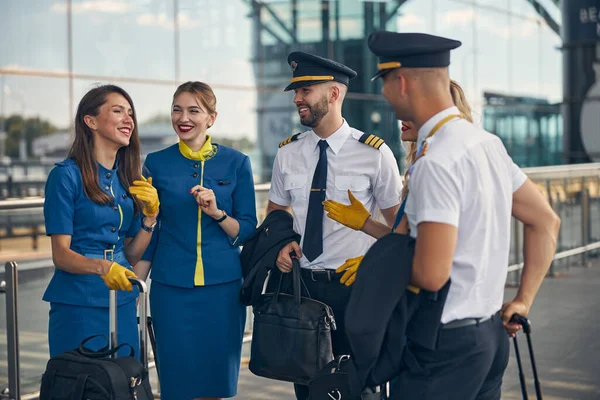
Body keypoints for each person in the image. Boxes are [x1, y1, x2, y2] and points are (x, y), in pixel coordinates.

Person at [366, 31, 561, 399]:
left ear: (402, 82)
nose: (385, 95)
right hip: (490, 337)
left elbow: (432, 274)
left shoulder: (435, 161)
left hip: (443, 348)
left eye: (385, 84)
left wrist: (376, 269)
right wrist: (523, 299)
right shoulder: (486, 144)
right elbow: (545, 220)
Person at [267, 51, 403, 400]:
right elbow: (277, 212)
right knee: (309, 390)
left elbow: (403, 236)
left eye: (306, 89)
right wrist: (282, 242)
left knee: (359, 389)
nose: (297, 98)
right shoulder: (288, 153)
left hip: (356, 290)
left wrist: (371, 250)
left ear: (334, 93)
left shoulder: (374, 153)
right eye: (296, 91)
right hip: (305, 291)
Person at [135, 81, 257, 400]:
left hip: (224, 291)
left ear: (211, 118)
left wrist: (217, 213)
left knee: (216, 384)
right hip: (171, 290)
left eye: (193, 110)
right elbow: (151, 228)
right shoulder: (156, 163)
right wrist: (136, 282)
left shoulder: (237, 162)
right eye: (177, 109)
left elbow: (247, 230)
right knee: (176, 384)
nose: (183, 117)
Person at [43, 84, 159, 358]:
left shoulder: (126, 180)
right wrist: (103, 267)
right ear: (90, 121)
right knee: (83, 385)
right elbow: (60, 256)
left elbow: (131, 253)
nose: (128, 119)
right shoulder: (65, 176)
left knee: (124, 384)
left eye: (130, 113)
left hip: (122, 299)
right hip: (78, 303)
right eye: (118, 111)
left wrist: (150, 217)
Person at [324, 79, 473, 286]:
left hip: (445, 295)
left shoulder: (440, 167)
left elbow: (434, 251)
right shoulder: (421, 162)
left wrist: (380, 262)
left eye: (411, 108)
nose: (400, 115)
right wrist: (366, 223)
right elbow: (405, 240)